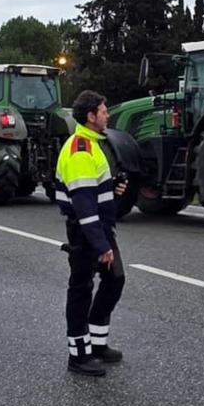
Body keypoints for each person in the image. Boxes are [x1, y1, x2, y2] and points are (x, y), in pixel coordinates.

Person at [55, 90, 129, 377]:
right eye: (103, 110)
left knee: (114, 279)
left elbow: (92, 191)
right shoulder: (81, 149)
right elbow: (83, 204)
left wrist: (112, 189)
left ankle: (97, 344)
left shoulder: (95, 144)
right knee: (81, 288)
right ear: (91, 116)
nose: (107, 114)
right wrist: (101, 244)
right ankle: (78, 355)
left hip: (98, 227)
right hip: (86, 230)